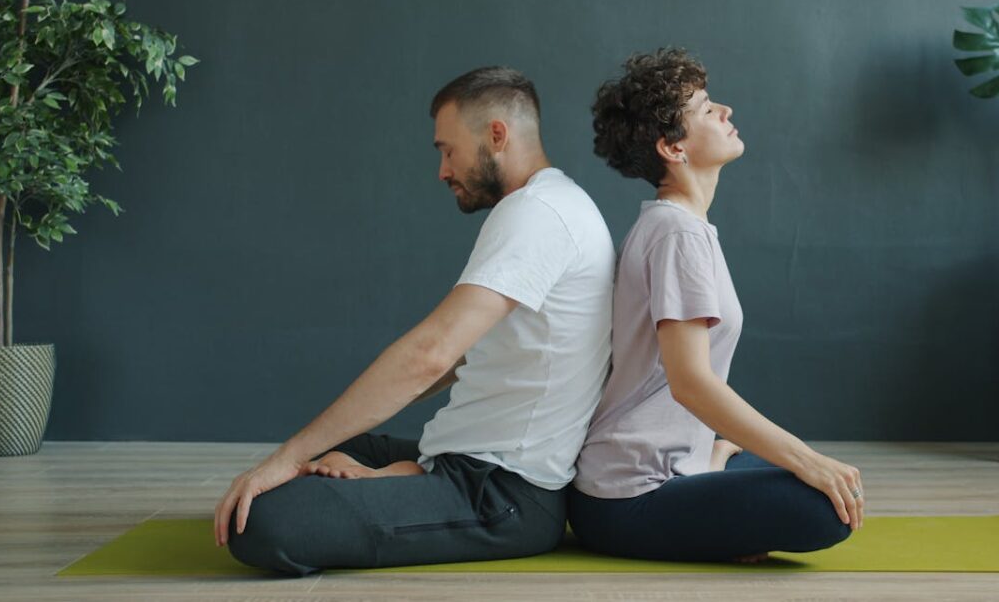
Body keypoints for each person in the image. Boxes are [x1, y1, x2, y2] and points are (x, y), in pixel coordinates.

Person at [213, 66, 616, 576]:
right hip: (468, 463)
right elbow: (466, 354)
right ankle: (401, 476)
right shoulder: (550, 204)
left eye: (448, 150)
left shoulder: (538, 214)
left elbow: (431, 354)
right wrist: (307, 452)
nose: (442, 171)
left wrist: (290, 458)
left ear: (496, 135)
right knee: (336, 447)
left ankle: (398, 480)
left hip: (502, 494)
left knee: (264, 522)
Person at [569, 48, 863, 562]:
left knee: (812, 481)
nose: (725, 110)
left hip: (660, 471)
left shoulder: (680, 226)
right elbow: (690, 383)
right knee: (822, 506)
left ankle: (710, 470)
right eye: (706, 109)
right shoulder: (676, 233)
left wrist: (717, 447)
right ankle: (712, 499)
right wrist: (807, 459)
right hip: (628, 496)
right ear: (672, 148)